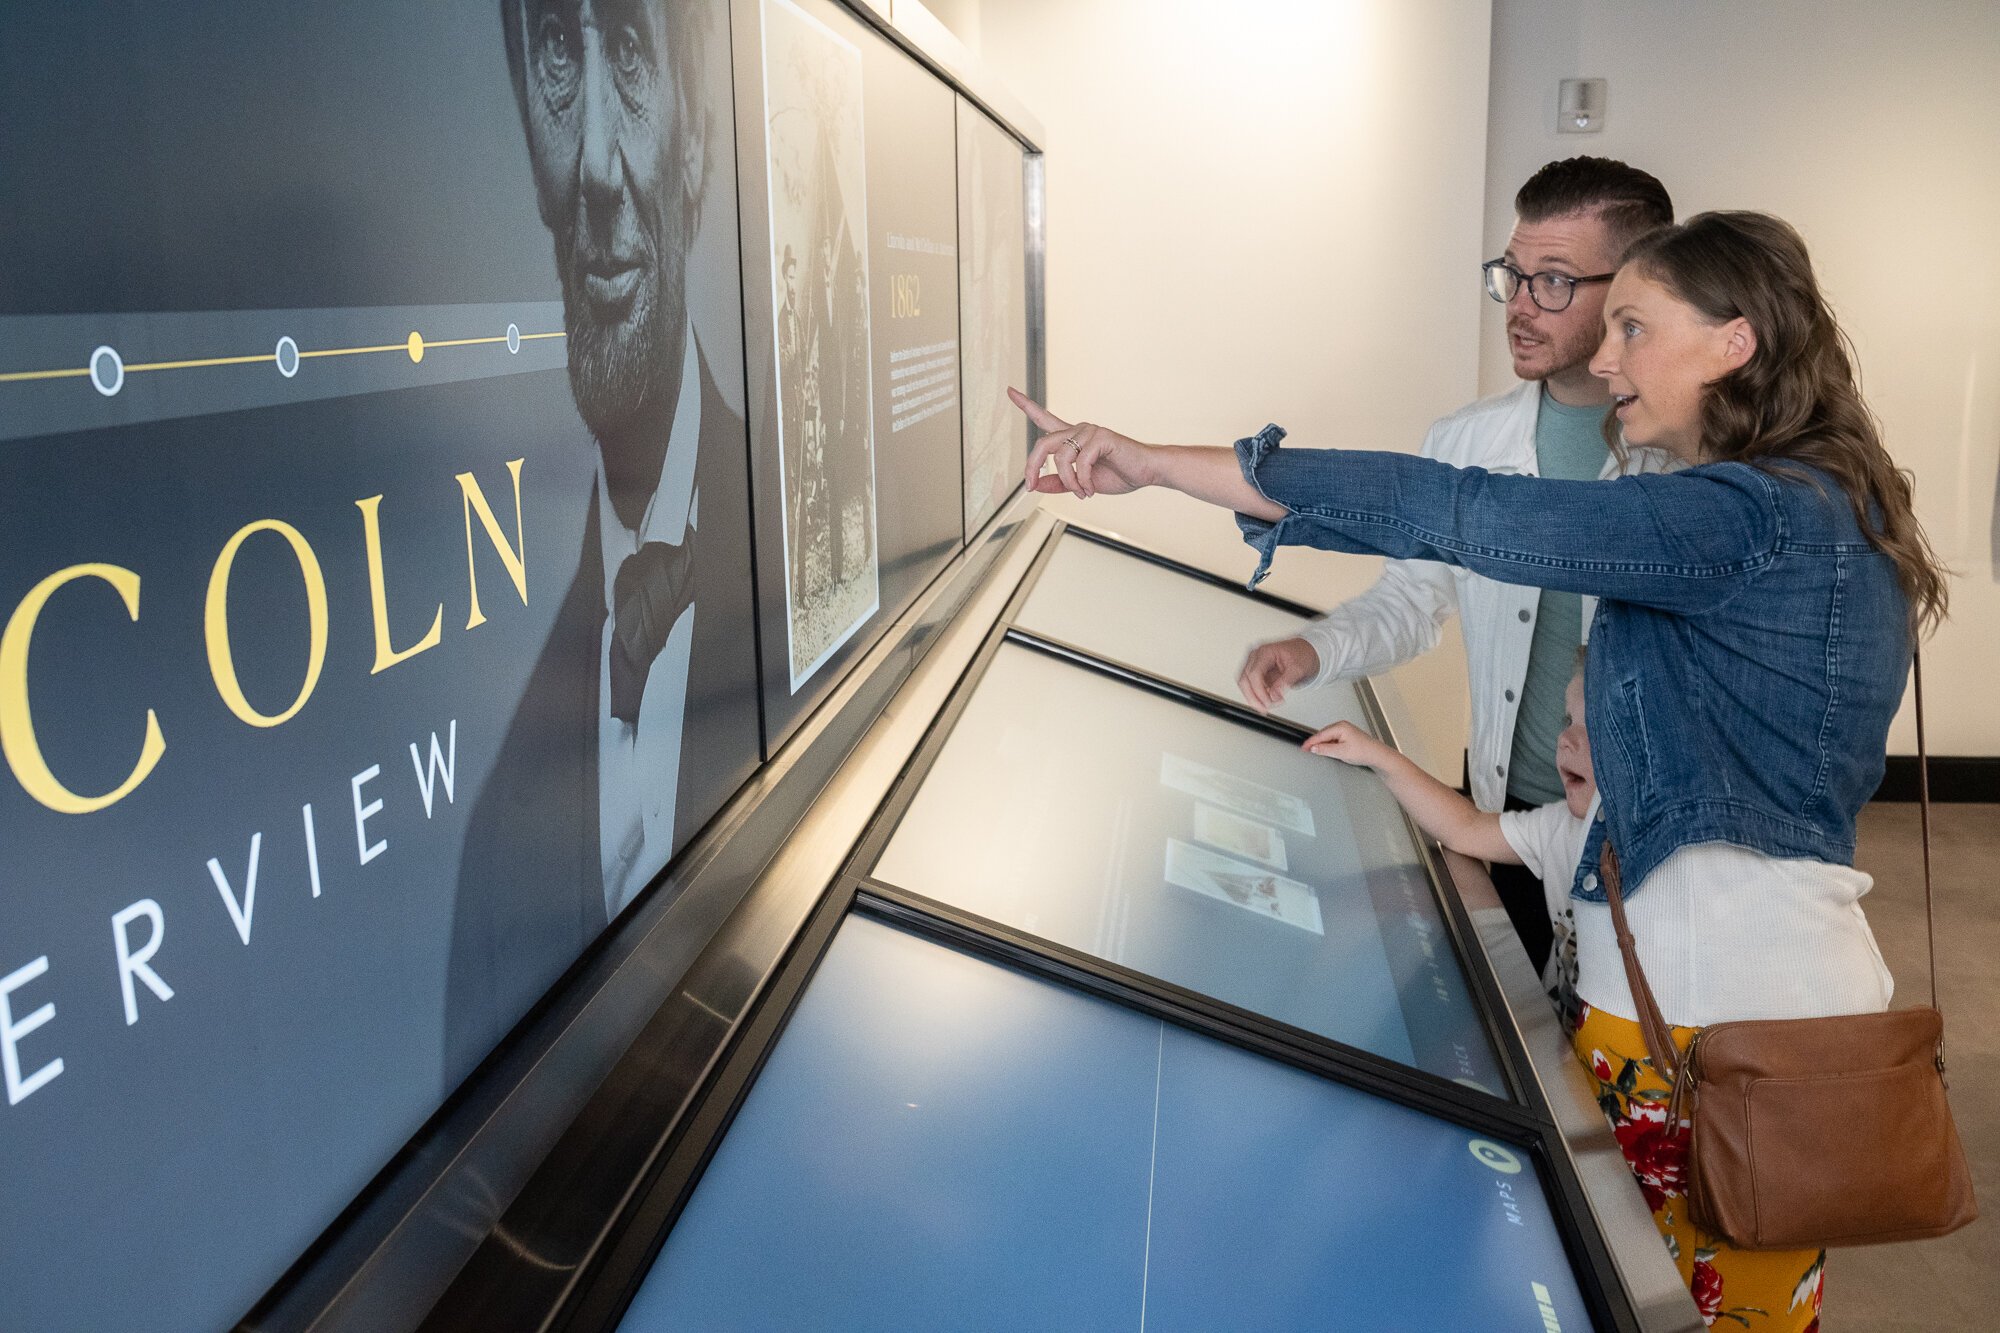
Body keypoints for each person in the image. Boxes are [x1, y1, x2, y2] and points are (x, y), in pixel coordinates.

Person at [1013, 210, 1948, 1330]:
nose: (1603, 359)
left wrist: (1157, 464)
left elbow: (1464, 515)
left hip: (1712, 1028)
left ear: (1734, 341)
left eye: (1633, 328)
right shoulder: (1815, 500)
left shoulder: (1745, 515)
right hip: (1744, 1004)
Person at [1232, 156, 1676, 977]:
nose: (1518, 306)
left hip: (1641, 829)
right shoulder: (1469, 440)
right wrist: (1315, 649)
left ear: (1632, 292)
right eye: (1512, 275)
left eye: (1551, 281)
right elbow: (1413, 595)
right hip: (1502, 799)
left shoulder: (1684, 466)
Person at [445, 0, 759, 1085]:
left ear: (698, 143)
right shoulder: (492, 844)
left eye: (627, 56)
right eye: (553, 67)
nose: (590, 165)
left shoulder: (799, 583)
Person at [1307, 656, 1595, 1024]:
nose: (1566, 740)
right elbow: (1467, 827)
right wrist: (1377, 756)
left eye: (1594, 728)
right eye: (1567, 721)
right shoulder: (1561, 827)